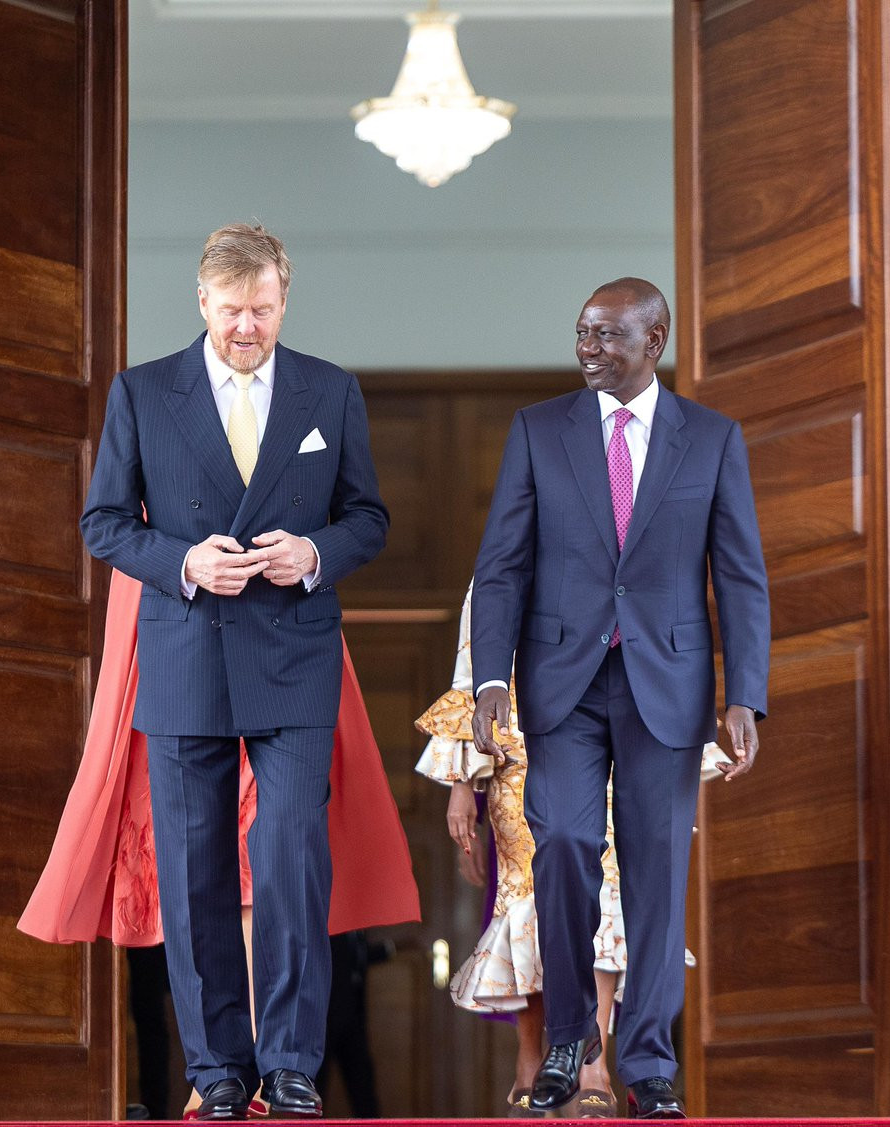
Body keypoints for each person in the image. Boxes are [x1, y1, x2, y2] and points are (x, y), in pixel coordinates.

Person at [77, 223, 391, 1121]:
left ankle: (290, 1063)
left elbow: (368, 517)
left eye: (261, 309)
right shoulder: (142, 392)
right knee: (194, 867)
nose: (246, 327)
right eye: (230, 311)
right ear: (202, 302)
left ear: (284, 299)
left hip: (295, 650)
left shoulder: (330, 389)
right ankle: (216, 1067)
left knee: (291, 855)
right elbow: (103, 523)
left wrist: (314, 553)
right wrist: (183, 561)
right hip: (186, 649)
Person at [471, 278, 770, 1119]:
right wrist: (490, 678)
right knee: (564, 840)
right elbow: (501, 564)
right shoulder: (538, 430)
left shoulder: (711, 438)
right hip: (562, 681)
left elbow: (739, 574)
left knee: (655, 869)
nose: (588, 349)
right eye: (582, 333)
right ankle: (571, 1037)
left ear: (655, 339)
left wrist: (744, 693)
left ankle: (648, 1061)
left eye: (606, 335)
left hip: (667, 685)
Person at [417, 583, 731, 1117]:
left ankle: (593, 1064)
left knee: (607, 893)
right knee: (533, 897)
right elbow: (472, 663)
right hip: (519, 738)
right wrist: (462, 785)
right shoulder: (504, 561)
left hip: (628, 718)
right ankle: (530, 1060)